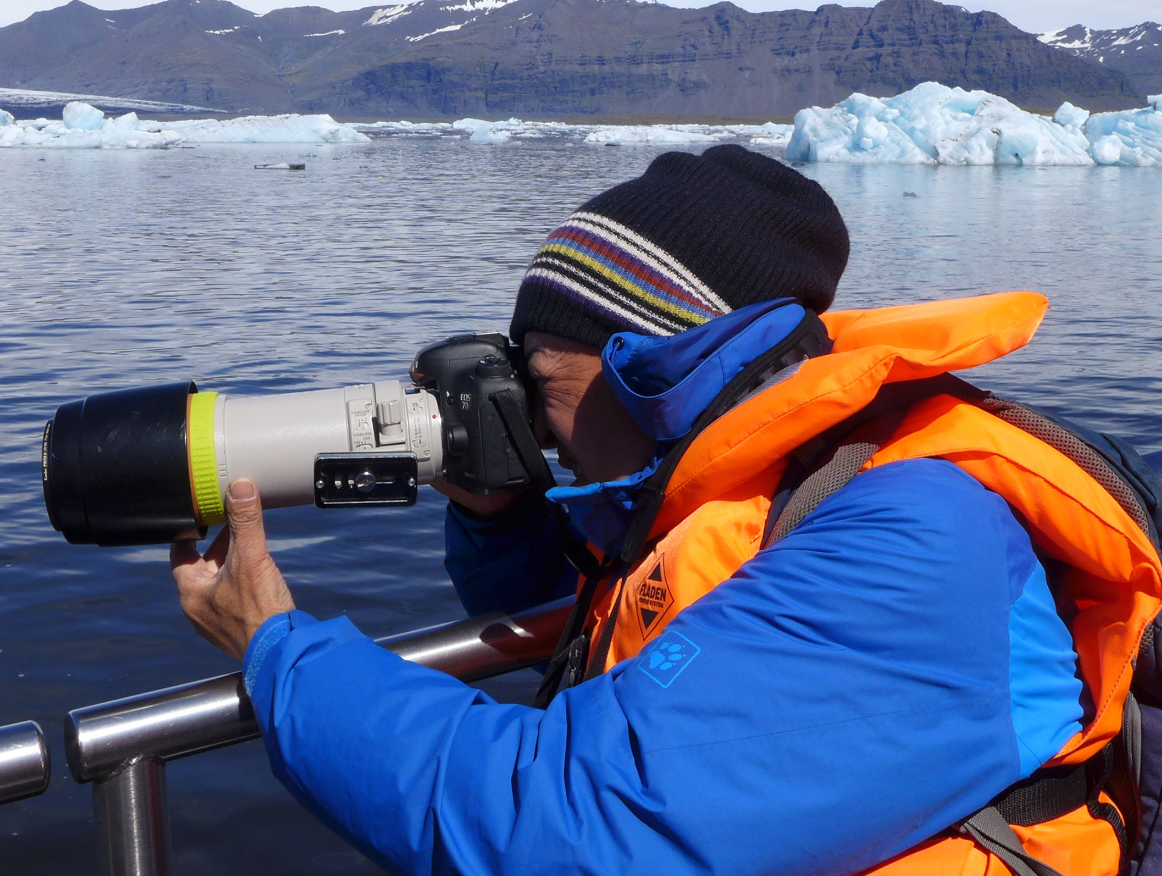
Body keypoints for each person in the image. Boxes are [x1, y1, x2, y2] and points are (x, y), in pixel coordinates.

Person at [173, 145, 1161, 876]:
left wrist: (280, 650)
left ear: (654, 375)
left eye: (543, 383)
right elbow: (632, 615)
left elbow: (564, 828)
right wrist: (500, 514)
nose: (531, 415)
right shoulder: (751, 478)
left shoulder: (912, 540)